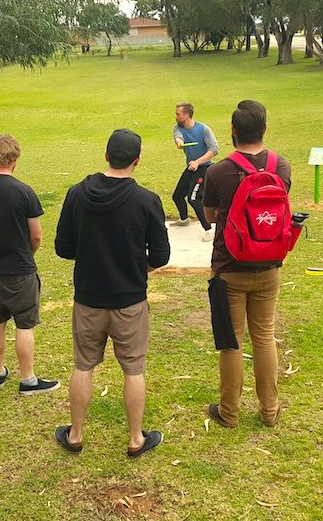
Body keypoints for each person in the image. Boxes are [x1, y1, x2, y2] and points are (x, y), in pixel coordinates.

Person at [54, 129, 171, 458]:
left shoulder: (76, 194)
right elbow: (160, 257)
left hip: (88, 300)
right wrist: (132, 267)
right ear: (137, 161)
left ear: (106, 155)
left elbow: (64, 247)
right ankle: (135, 439)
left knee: (83, 366)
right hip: (130, 302)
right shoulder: (147, 201)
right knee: (133, 369)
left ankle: (75, 434)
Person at [202, 100, 291, 428]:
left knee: (232, 340)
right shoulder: (282, 166)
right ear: (265, 128)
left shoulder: (218, 171)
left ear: (233, 132)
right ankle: (270, 410)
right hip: (269, 266)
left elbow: (211, 216)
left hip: (230, 268)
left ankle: (229, 412)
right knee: (265, 335)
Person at [0, 134, 60, 395]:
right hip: (20, 269)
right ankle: (28, 379)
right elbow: (37, 235)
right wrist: (29, 254)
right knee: (24, 324)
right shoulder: (23, 191)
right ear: (15, 159)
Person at [170, 102, 219, 241]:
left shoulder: (204, 129)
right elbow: (178, 136)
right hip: (191, 167)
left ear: (186, 115)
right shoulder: (178, 128)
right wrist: (179, 142)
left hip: (204, 167)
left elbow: (214, 150)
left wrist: (198, 162)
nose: (176, 116)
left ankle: (209, 229)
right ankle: (184, 219)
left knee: (194, 198)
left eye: (178, 114)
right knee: (177, 196)